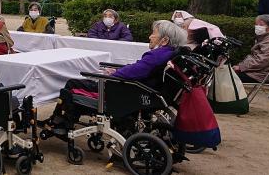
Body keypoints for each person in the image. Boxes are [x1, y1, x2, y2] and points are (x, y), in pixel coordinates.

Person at [47, 20, 187, 130]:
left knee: (72, 84)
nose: (150, 36)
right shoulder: (168, 54)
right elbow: (137, 69)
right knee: (82, 85)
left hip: (122, 92)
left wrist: (114, 74)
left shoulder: (156, 56)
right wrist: (117, 71)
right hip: (139, 90)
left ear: (164, 40)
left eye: (153, 33)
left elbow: (135, 71)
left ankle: (60, 122)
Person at [234, 14, 269, 83]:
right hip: (255, 72)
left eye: (261, 25)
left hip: (258, 75)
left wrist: (241, 67)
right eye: (256, 24)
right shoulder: (264, 37)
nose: (257, 27)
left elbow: (261, 61)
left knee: (227, 77)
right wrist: (241, 66)